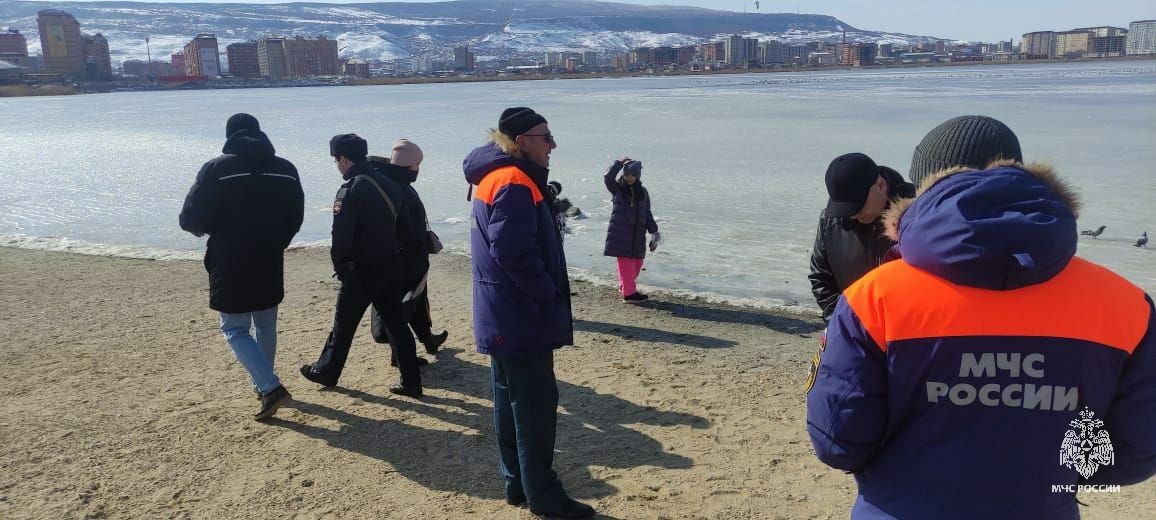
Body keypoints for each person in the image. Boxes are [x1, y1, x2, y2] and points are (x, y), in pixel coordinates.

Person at [806, 121, 1156, 519]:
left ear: (924, 187)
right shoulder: (1127, 305)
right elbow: (1135, 452)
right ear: (1022, 173)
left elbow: (837, 440)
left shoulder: (872, 298)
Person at [462, 107, 595, 519]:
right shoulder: (515, 182)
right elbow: (513, 252)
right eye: (545, 136)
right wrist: (548, 296)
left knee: (510, 401)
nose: (552, 145)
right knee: (535, 406)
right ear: (521, 141)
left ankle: (517, 485)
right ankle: (544, 495)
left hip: (501, 311)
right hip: (520, 315)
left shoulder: (494, 177)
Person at [178, 113, 304, 420]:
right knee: (265, 325)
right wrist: (279, 240)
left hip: (229, 256)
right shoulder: (286, 169)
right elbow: (295, 216)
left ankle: (269, 387)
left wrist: (200, 228)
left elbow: (192, 215)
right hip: (269, 255)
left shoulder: (217, 168)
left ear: (229, 136)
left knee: (234, 328)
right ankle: (265, 386)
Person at [299, 134, 423, 398]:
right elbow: (405, 228)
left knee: (343, 327)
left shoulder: (351, 189)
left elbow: (341, 236)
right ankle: (411, 381)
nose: (337, 165)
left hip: (361, 270)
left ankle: (327, 371)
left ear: (344, 159)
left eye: (336, 160)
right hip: (390, 265)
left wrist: (341, 266)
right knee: (397, 325)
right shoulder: (390, 185)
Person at [367, 139, 448, 361]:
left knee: (418, 301)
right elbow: (406, 229)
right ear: (409, 165)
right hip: (406, 260)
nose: (418, 169)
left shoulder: (391, 182)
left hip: (405, 257)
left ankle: (429, 341)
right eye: (416, 164)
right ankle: (401, 356)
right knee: (405, 305)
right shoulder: (397, 188)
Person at [808, 152, 914, 321]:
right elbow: (821, 278)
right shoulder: (830, 221)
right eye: (844, 208)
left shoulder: (921, 214)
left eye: (857, 205)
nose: (851, 215)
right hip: (857, 333)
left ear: (881, 185)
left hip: (910, 333)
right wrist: (843, 322)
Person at [603, 157, 660, 303]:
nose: (629, 178)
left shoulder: (643, 192)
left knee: (637, 264)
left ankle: (625, 287)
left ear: (638, 176)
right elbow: (608, 177)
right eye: (627, 174)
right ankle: (629, 294)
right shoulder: (618, 189)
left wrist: (654, 232)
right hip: (620, 235)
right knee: (625, 265)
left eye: (633, 175)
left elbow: (647, 213)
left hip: (638, 236)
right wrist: (619, 163)